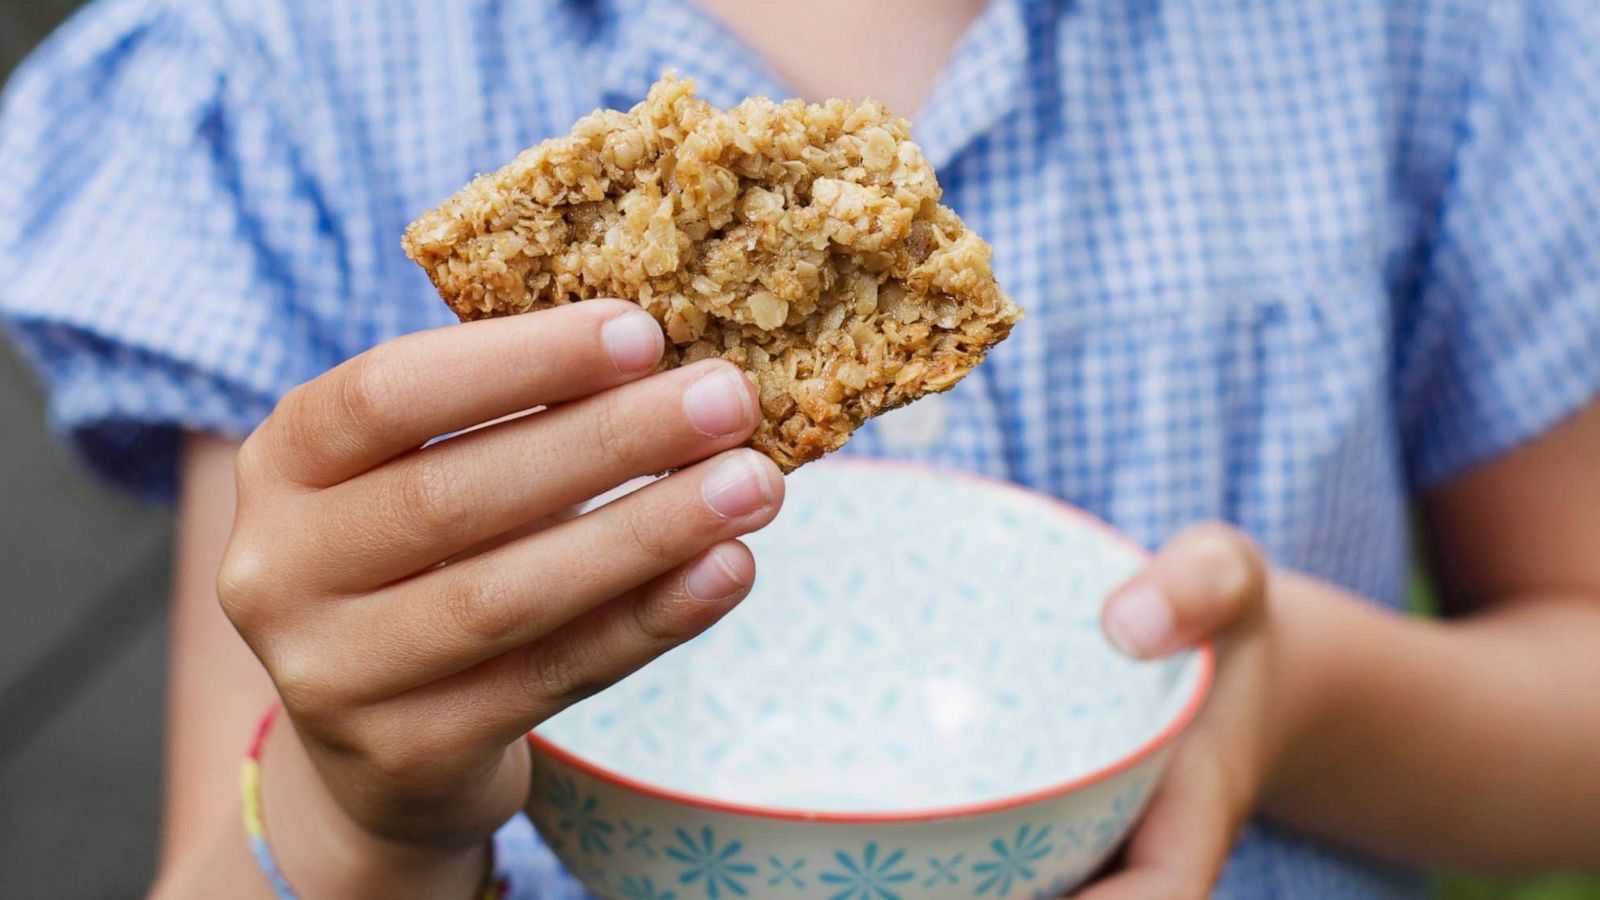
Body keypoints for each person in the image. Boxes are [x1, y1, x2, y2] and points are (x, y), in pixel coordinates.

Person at [3, 0, 1599, 897]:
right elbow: (223, 858)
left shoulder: (1428, 31)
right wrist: (367, 810)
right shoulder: (284, 64)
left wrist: (1295, 698)